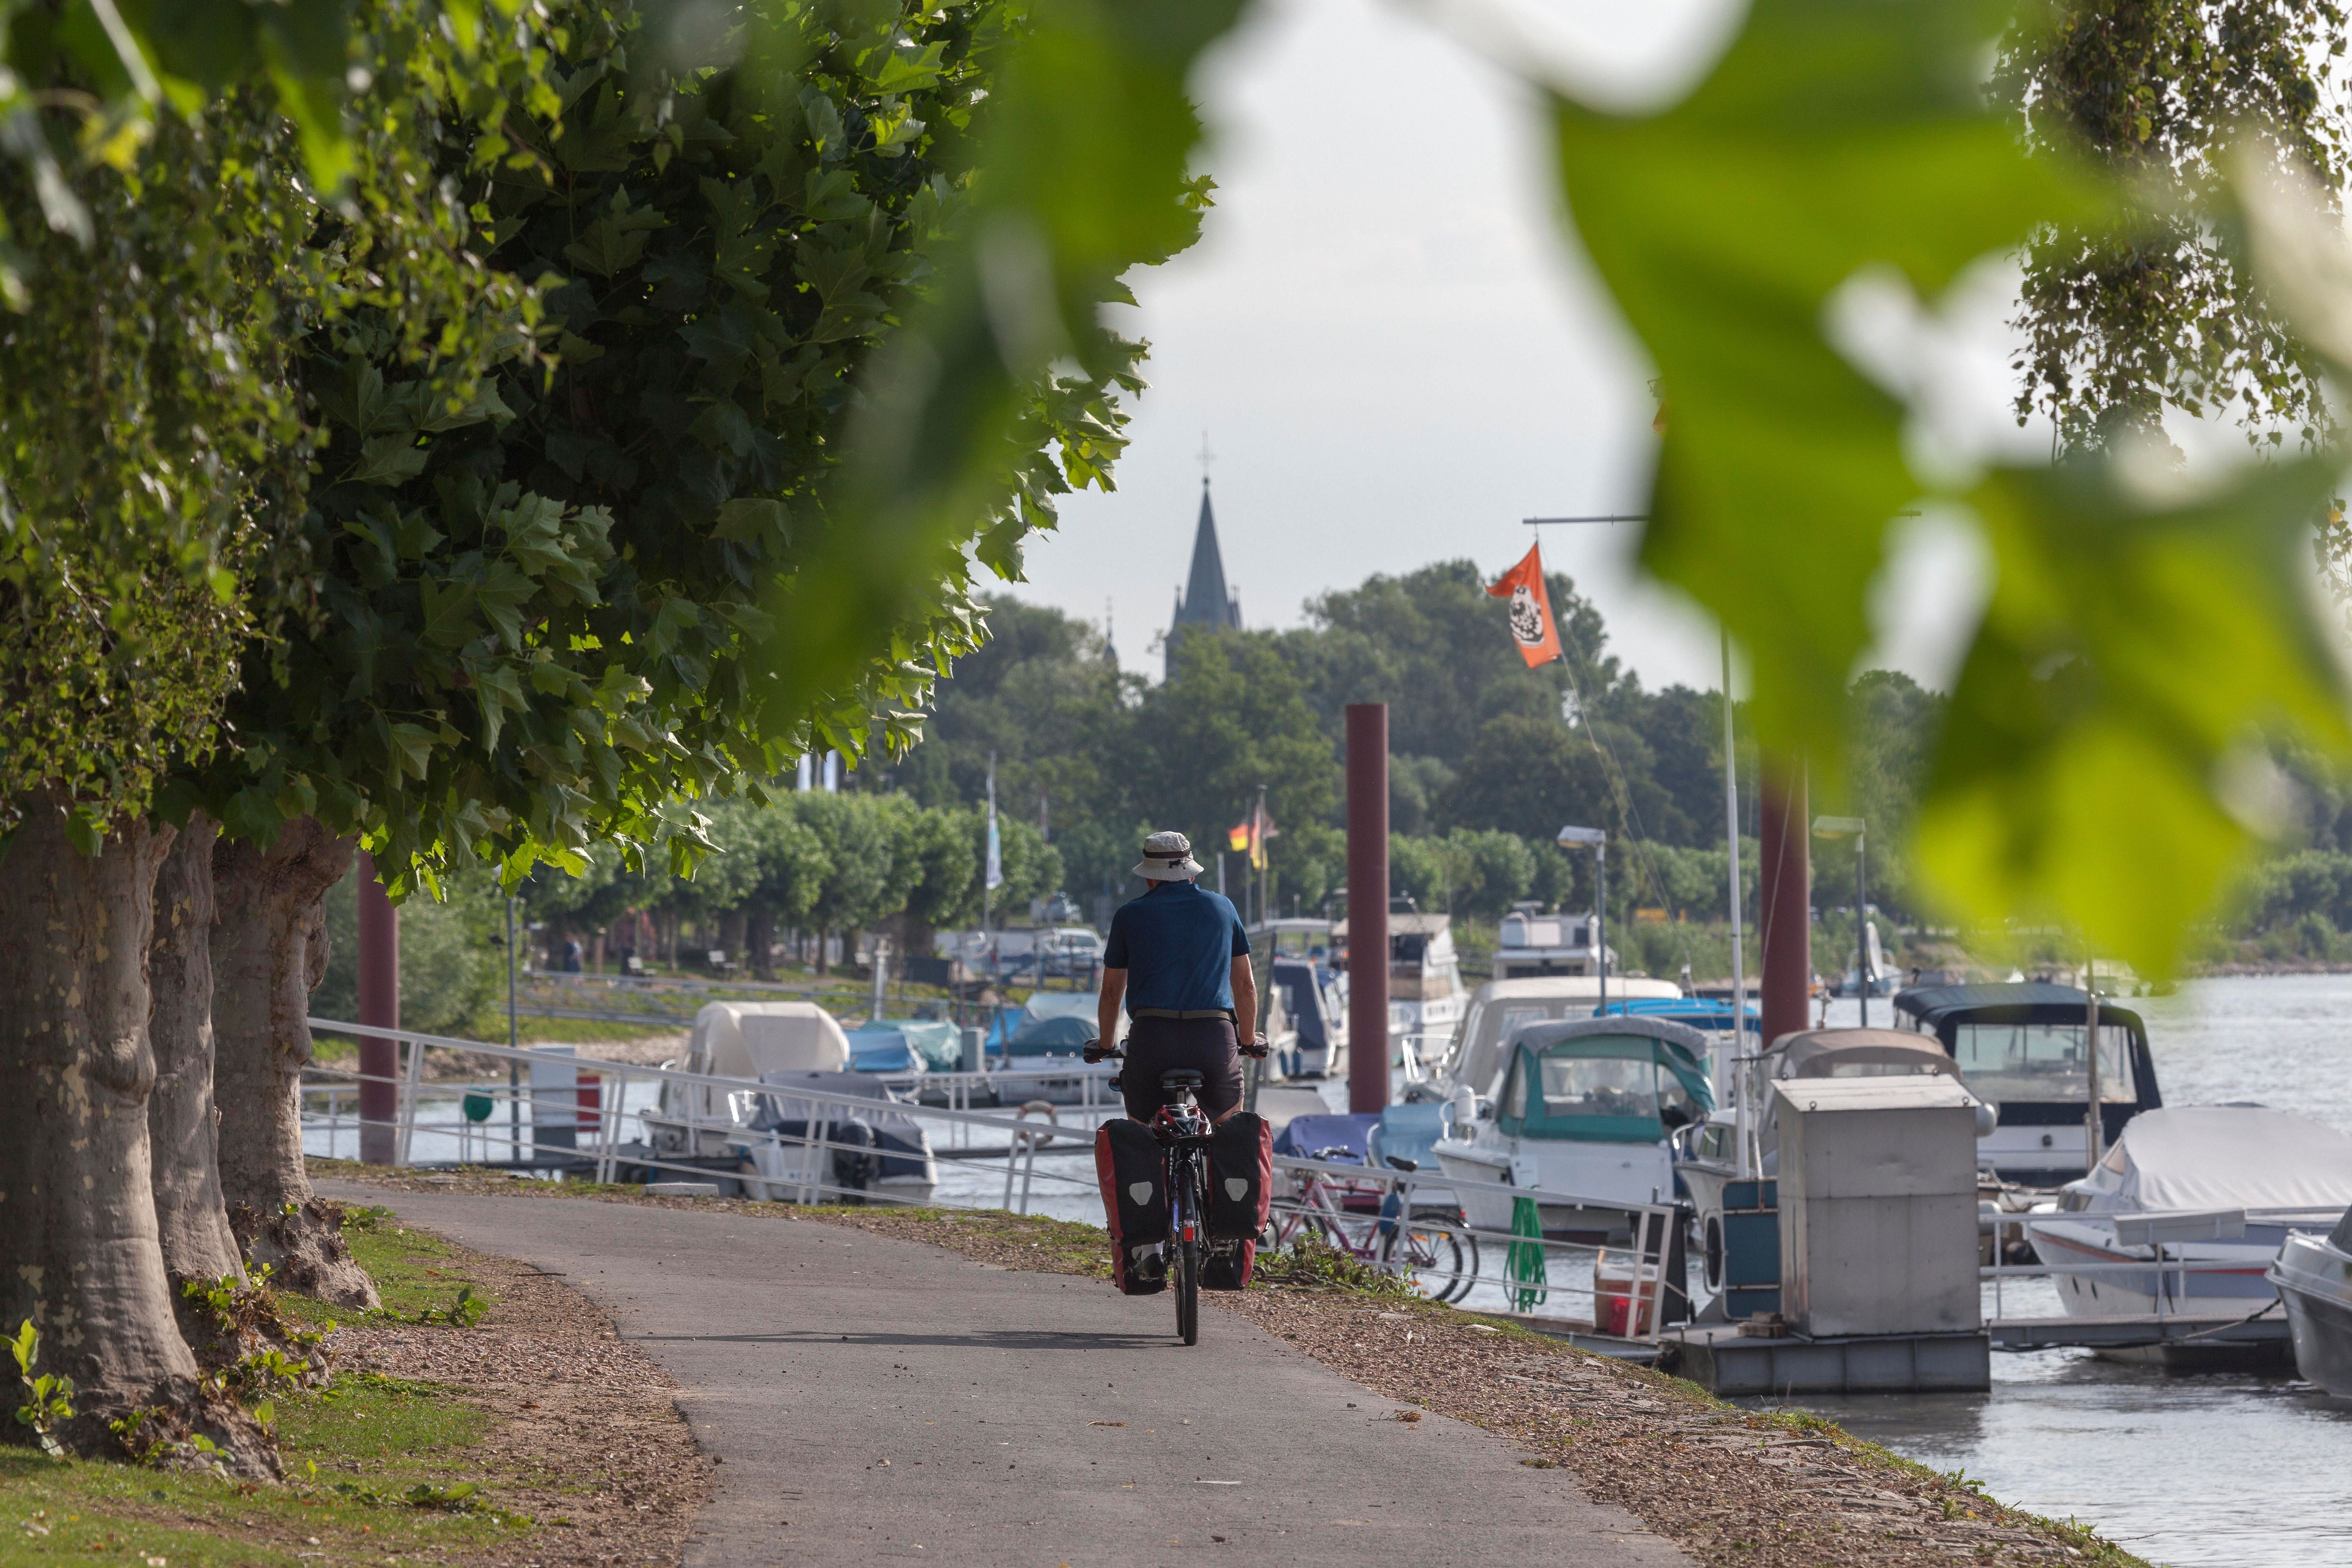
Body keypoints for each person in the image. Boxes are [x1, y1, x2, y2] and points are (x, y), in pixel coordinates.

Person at [1094, 829, 1265, 1123]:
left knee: (1143, 1132)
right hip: (1213, 1039)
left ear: (1149, 878)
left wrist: (1105, 1044)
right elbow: (1245, 986)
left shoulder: (1129, 915)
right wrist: (1248, 1040)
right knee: (1228, 1129)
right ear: (1191, 875)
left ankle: (1148, 1164)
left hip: (1152, 1039)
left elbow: (1111, 992)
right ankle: (1224, 1167)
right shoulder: (1223, 908)